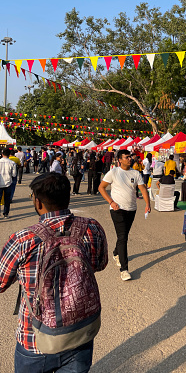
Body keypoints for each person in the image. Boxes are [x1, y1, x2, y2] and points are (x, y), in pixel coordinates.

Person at [0, 172, 108, 372]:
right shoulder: (92, 228)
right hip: (79, 334)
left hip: (34, 339)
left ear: (38, 203)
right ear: (67, 196)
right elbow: (100, 264)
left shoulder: (23, 239)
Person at [99, 149, 151, 281]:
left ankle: (116, 253)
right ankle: (124, 269)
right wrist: (111, 202)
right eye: (127, 157)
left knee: (124, 235)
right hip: (117, 209)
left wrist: (147, 204)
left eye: (130, 157)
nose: (130, 159)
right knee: (123, 237)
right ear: (120, 160)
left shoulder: (136, 173)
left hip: (131, 209)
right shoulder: (114, 172)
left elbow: (143, 189)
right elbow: (101, 187)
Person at [0, 148, 17, 218]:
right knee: (7, 199)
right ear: (9, 155)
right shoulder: (12, 163)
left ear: (2, 154)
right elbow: (14, 174)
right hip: (8, 183)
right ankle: (6, 213)